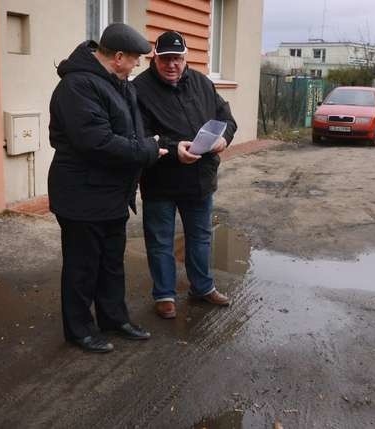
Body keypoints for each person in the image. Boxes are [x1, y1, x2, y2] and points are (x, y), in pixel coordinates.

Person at [48, 23, 168, 353]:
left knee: (111, 263)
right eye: (135, 60)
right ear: (118, 57)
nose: (136, 66)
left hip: (113, 193)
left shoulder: (120, 84)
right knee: (82, 266)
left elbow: (132, 132)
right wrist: (145, 151)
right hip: (82, 193)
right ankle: (79, 329)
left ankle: (114, 318)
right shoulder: (78, 86)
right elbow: (95, 142)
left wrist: (153, 143)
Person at [134, 31, 237, 319]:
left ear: (186, 57)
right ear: (154, 58)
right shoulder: (139, 89)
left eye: (177, 58)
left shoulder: (202, 83)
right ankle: (165, 294)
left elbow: (227, 119)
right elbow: (138, 136)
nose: (171, 65)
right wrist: (172, 148)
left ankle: (202, 287)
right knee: (160, 241)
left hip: (200, 179)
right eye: (165, 59)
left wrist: (224, 138)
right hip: (160, 180)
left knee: (200, 237)